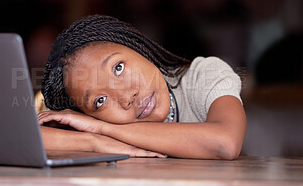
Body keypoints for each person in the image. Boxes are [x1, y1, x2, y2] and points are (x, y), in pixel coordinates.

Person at [37, 15, 246, 159]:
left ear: (136, 48)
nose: (127, 96)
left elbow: (225, 143)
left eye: (118, 68)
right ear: (88, 115)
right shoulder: (100, 127)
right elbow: (9, 140)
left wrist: (103, 129)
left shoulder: (204, 75)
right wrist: (92, 142)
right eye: (99, 101)